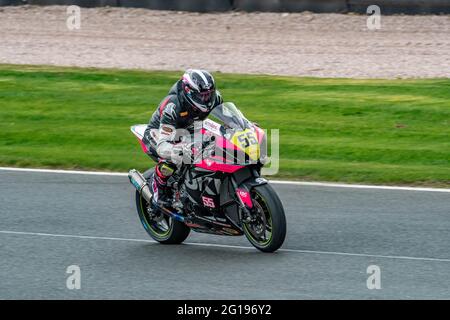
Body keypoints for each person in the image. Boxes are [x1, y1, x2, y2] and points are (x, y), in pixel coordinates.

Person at [142, 69, 223, 206]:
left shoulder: (215, 99)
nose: (206, 99)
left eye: (209, 94)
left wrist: (243, 125)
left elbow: (227, 117)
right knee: (174, 157)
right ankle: (158, 189)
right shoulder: (173, 105)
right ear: (189, 91)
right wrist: (181, 148)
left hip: (189, 130)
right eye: (202, 96)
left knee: (215, 146)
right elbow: (163, 146)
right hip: (160, 134)